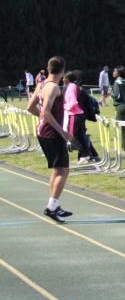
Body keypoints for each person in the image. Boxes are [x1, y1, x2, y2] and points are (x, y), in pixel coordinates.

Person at [28, 56, 75, 223]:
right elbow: (46, 111)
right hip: (51, 133)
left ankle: (54, 203)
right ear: (62, 71)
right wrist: (62, 131)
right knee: (63, 170)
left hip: (43, 131)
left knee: (57, 170)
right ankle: (51, 207)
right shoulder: (53, 87)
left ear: (48, 69)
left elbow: (30, 107)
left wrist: (41, 118)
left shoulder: (41, 85)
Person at [63, 71, 99, 163]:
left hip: (74, 114)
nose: (62, 79)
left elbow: (73, 102)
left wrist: (64, 107)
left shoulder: (71, 87)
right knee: (81, 136)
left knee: (72, 137)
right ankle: (90, 154)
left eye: (64, 78)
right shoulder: (76, 87)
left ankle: (85, 154)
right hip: (79, 114)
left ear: (67, 79)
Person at [111, 66, 125, 147]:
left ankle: (120, 146)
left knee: (117, 126)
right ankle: (123, 146)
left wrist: (111, 94)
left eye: (114, 71)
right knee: (124, 126)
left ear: (119, 73)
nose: (113, 73)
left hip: (120, 106)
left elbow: (116, 96)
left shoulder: (116, 82)